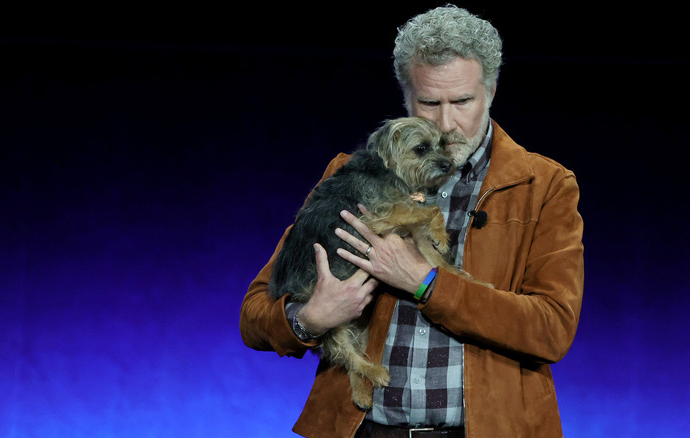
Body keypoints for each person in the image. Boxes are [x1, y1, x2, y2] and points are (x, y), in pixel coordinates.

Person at [240, 5, 584, 438]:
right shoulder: (351, 173)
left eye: (462, 101)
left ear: (491, 90)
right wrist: (310, 317)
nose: (446, 123)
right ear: (406, 97)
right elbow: (255, 315)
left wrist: (426, 282)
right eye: (428, 102)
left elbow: (551, 329)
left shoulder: (543, 186)